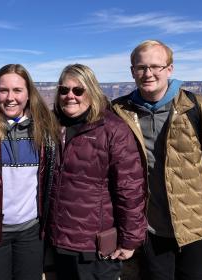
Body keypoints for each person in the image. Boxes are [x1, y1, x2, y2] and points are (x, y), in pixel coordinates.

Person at [112, 40, 202, 280]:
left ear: (169, 69)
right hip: (150, 229)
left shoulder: (199, 108)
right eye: (141, 67)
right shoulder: (119, 111)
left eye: (156, 66)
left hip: (197, 227)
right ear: (132, 71)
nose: (148, 73)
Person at [48, 63, 147, 280]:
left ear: (91, 91)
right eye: (64, 90)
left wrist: (130, 239)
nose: (70, 96)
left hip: (95, 248)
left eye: (78, 90)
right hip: (58, 241)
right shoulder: (51, 126)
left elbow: (129, 188)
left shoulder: (113, 130)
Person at [0, 64, 57, 280]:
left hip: (31, 233)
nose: (10, 97)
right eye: (3, 90)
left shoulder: (46, 130)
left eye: (17, 90)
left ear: (28, 94)